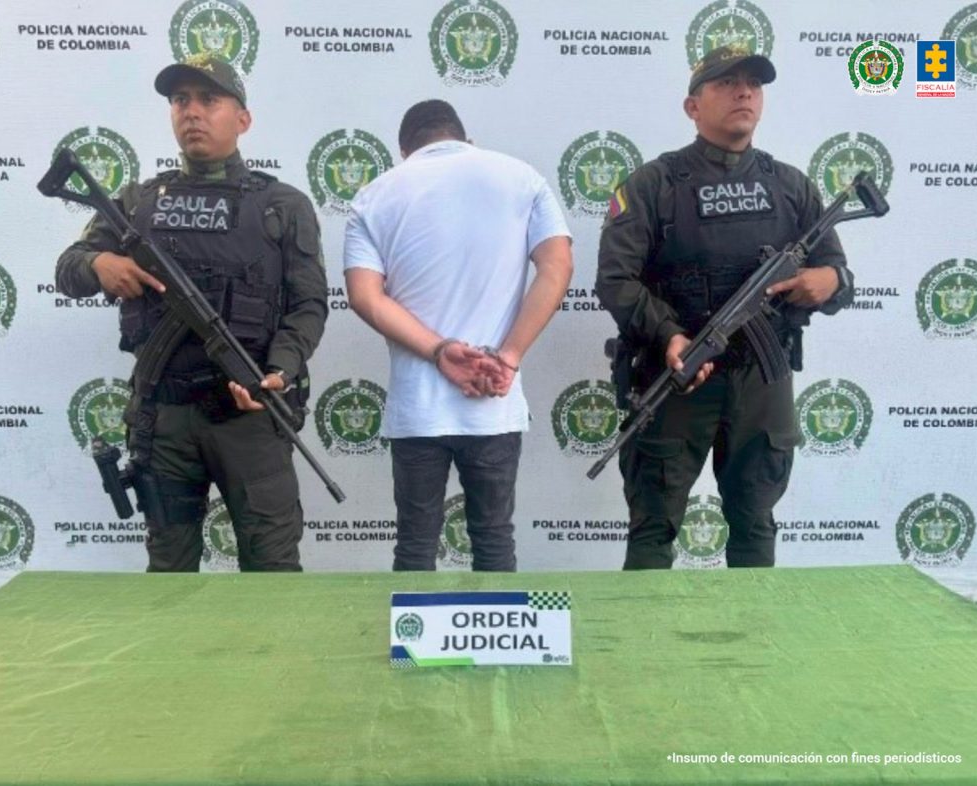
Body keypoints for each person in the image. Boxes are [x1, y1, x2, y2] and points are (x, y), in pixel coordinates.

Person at [55, 55, 328, 572]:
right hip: (165, 418)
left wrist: (281, 370)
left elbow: (309, 304)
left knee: (272, 568)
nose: (192, 112)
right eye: (181, 101)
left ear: (242, 119)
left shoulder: (282, 206)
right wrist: (100, 263)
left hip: (249, 415)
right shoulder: (137, 201)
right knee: (169, 571)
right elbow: (68, 270)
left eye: (209, 99)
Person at [596, 45, 855, 569]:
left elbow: (837, 274)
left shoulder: (790, 186)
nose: (744, 93)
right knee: (653, 528)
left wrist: (829, 280)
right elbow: (615, 279)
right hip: (677, 376)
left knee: (756, 522)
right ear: (692, 106)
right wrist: (669, 335)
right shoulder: (653, 185)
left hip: (763, 376)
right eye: (726, 83)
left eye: (753, 85)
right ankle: (641, 648)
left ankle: (754, 645)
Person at [344, 100, 572, 571]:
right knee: (493, 539)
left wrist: (440, 350)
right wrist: (508, 356)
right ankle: (497, 645)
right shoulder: (522, 178)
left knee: (414, 545)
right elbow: (557, 266)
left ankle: (413, 647)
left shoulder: (374, 196)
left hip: (417, 407)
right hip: (495, 399)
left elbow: (366, 296)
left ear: (405, 149)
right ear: (466, 139)